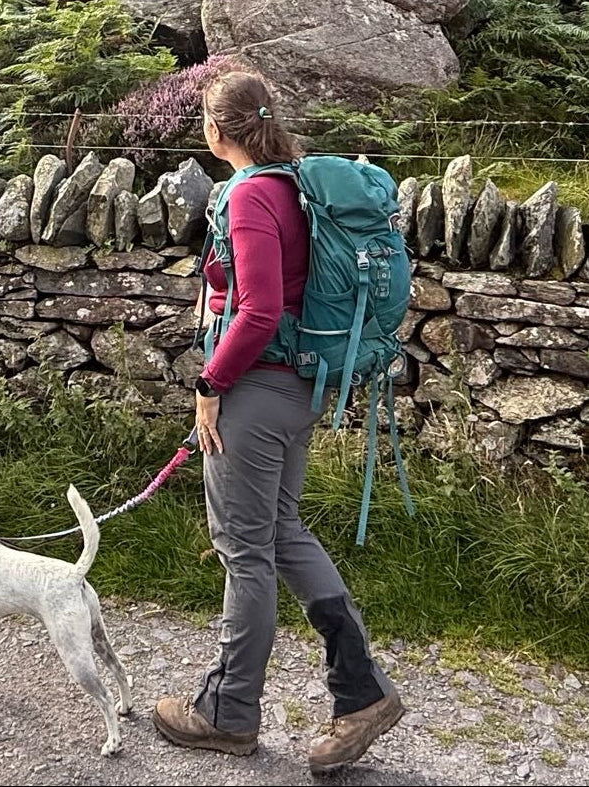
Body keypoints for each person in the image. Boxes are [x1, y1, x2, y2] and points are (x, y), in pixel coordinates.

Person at [151, 70, 405, 774]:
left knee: (244, 549)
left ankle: (228, 713)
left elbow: (258, 309)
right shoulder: (296, 186)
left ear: (214, 130)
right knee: (281, 530)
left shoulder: (250, 196)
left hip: (255, 393)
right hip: (300, 386)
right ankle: (362, 693)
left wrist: (209, 383)